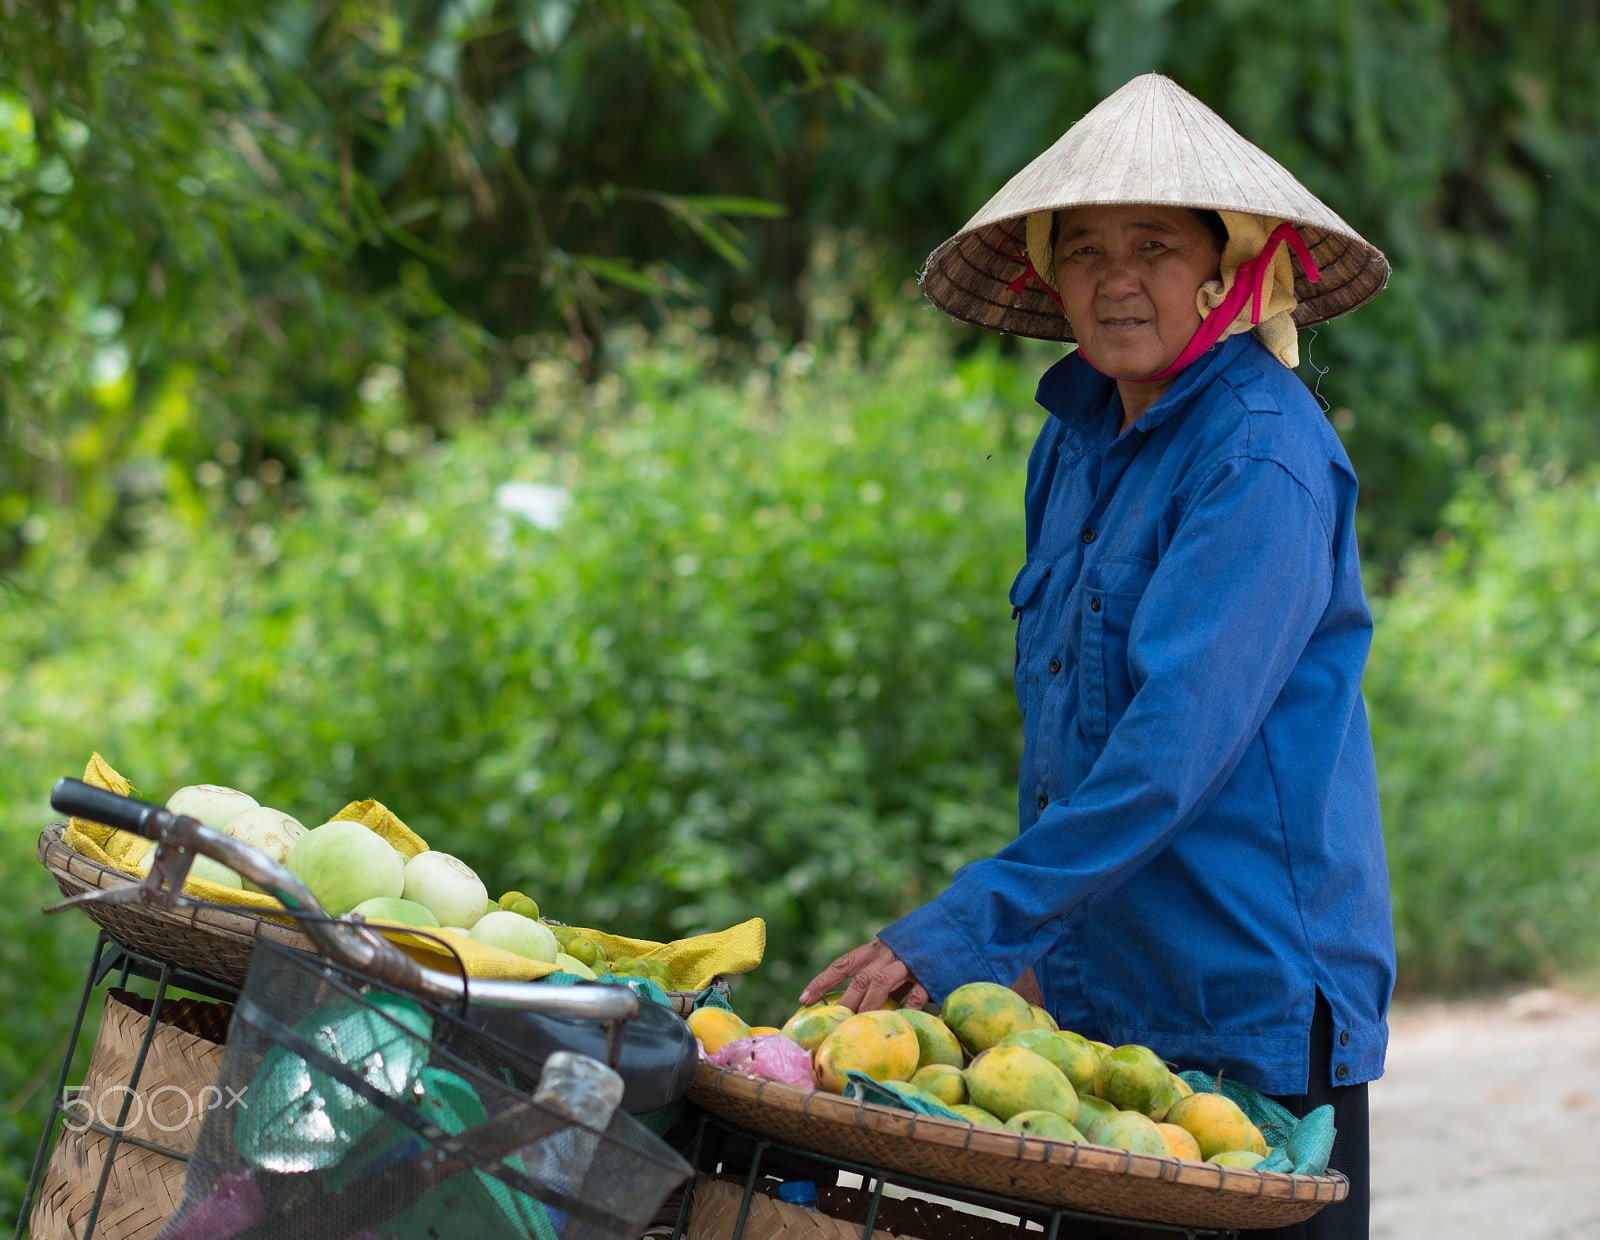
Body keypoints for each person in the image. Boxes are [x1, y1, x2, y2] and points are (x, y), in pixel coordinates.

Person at [799, 74, 1395, 1240]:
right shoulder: (1072, 442)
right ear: (1046, 274)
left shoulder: (1261, 459)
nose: (1118, 278)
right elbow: (1066, 735)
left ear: (1222, 271)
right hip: (1099, 1006)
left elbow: (1171, 748)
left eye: (1156, 248)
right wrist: (1027, 952)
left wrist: (971, 924)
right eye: (1084, 250)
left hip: (1246, 994)